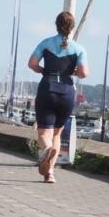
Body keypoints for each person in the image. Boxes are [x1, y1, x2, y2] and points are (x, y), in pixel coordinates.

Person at [28, 12, 89, 184]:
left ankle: (46, 150)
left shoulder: (46, 43)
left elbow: (32, 63)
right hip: (67, 91)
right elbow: (84, 73)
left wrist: (42, 70)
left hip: (47, 87)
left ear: (56, 25)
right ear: (72, 27)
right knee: (57, 133)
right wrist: (72, 71)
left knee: (43, 131)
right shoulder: (79, 49)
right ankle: (50, 174)